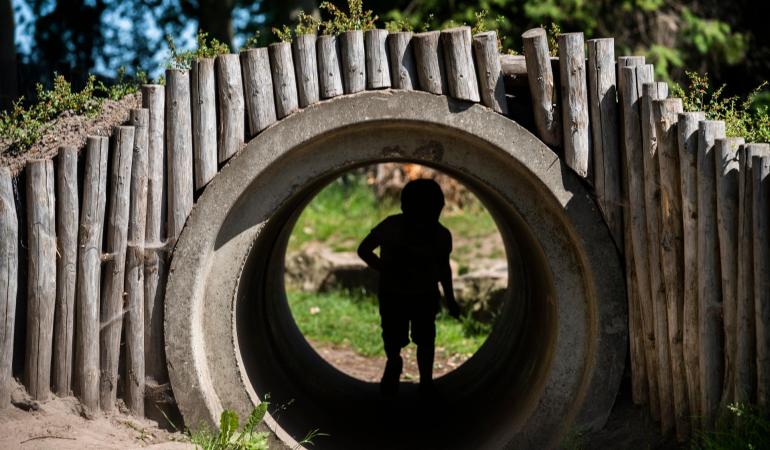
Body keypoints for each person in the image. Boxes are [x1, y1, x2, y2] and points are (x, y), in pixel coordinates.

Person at [357, 178, 461, 397]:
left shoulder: (396, 227)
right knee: (413, 338)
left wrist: (385, 269)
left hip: (407, 295)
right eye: (423, 211)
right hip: (405, 295)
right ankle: (404, 369)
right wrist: (385, 268)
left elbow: (444, 269)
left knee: (417, 337)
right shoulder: (398, 227)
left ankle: (417, 376)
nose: (426, 217)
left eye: (431, 210)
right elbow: (364, 249)